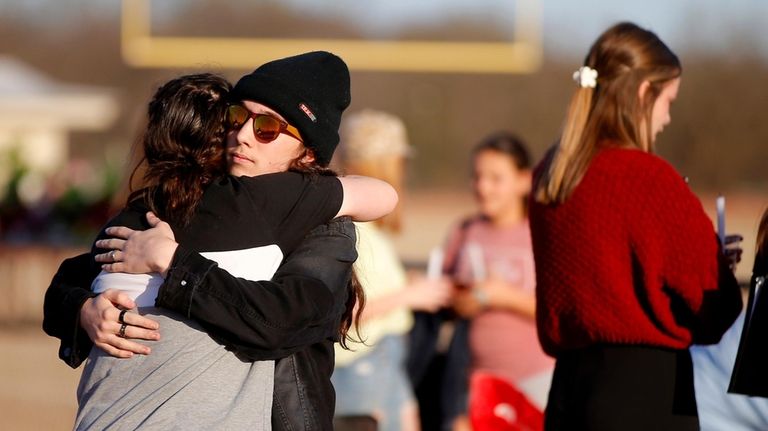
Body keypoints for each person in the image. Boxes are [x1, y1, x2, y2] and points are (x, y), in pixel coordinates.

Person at [43, 52, 395, 430]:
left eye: (266, 128)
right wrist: (84, 310)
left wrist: (174, 263)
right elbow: (73, 276)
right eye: (237, 117)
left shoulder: (318, 223)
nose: (242, 135)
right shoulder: (164, 208)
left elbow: (281, 322)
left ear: (307, 153)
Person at [529, 22, 743, 430]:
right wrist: (718, 266)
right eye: (669, 101)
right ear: (645, 92)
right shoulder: (650, 179)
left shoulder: (550, 176)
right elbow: (715, 310)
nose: (666, 118)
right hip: (647, 393)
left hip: (568, 392)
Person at [331, 109, 453, 431]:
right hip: (360, 371)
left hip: (381, 366)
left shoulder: (366, 229)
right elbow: (346, 312)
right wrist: (409, 295)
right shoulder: (351, 231)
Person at [443, 132, 553, 430]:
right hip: (476, 384)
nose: (483, 187)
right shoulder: (465, 231)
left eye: (495, 178)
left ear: (523, 180)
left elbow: (559, 311)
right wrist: (457, 301)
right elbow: (446, 296)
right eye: (477, 177)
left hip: (537, 383)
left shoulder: (543, 234)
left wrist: (502, 296)